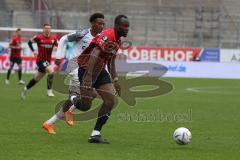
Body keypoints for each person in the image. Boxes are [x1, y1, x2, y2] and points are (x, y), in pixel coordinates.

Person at [61, 15, 129, 144]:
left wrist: (115, 80)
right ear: (117, 26)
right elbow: (95, 53)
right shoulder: (108, 35)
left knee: (110, 101)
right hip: (87, 69)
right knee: (85, 106)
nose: (127, 29)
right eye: (124, 26)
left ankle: (95, 134)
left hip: (100, 70)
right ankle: (73, 99)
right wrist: (87, 77)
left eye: (128, 27)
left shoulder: (118, 40)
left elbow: (111, 61)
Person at [42, 13, 105, 134]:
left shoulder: (101, 38)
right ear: (92, 24)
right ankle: (70, 111)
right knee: (83, 95)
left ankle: (49, 123)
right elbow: (63, 39)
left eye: (103, 24)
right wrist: (59, 56)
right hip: (74, 66)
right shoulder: (83, 33)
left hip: (86, 70)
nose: (102, 26)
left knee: (88, 95)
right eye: (99, 23)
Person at [21, 23, 58, 99]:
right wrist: (33, 51)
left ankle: (26, 88)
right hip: (40, 60)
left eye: (49, 28)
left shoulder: (53, 38)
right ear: (43, 29)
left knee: (36, 79)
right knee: (51, 72)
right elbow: (29, 42)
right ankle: (49, 91)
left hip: (47, 61)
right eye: (46, 28)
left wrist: (56, 48)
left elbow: (57, 45)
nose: (47, 30)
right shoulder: (38, 37)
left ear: (50, 30)